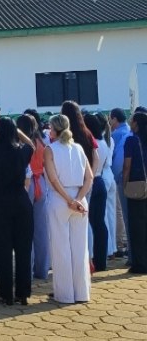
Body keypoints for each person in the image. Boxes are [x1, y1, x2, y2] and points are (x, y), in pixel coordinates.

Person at [0, 117, 34, 306]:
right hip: (21, 200)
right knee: (23, 249)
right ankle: (23, 293)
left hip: (0, 202)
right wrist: (17, 131)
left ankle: (6, 294)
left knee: (3, 250)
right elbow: (32, 144)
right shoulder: (21, 152)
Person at [44, 114, 94, 303]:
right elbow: (89, 177)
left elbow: (53, 178)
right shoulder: (79, 148)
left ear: (55, 129)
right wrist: (78, 199)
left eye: (50, 127)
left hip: (60, 199)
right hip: (79, 198)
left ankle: (64, 294)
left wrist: (69, 200)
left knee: (61, 248)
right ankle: (82, 292)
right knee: (80, 248)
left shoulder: (50, 149)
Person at [61, 101, 104, 272]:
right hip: (86, 184)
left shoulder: (63, 136)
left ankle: (73, 262)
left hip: (67, 185)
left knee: (68, 225)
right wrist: (90, 178)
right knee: (85, 221)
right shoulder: (87, 133)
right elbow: (96, 157)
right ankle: (89, 259)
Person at [16, 114, 50, 280]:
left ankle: (26, 270)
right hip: (41, 183)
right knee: (41, 229)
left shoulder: (22, 145)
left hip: (27, 184)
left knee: (25, 229)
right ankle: (42, 269)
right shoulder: (41, 142)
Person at [85, 113, 113, 270]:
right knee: (100, 223)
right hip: (100, 180)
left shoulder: (91, 143)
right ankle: (101, 260)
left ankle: (92, 258)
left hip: (91, 182)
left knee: (90, 223)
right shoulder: (103, 142)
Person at [122, 111, 147, 274]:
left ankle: (140, 263)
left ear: (136, 123)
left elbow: (127, 166)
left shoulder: (131, 140)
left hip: (136, 186)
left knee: (137, 226)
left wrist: (125, 184)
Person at [92, 113, 119, 258]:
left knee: (103, 216)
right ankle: (112, 247)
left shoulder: (98, 141)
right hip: (109, 174)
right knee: (110, 214)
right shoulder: (109, 138)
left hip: (102, 173)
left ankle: (108, 249)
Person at [110, 108, 132, 263]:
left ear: (115, 119)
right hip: (136, 180)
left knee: (121, 212)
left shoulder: (116, 135)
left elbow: (118, 161)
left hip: (121, 178)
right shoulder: (129, 131)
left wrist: (117, 178)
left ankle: (122, 243)